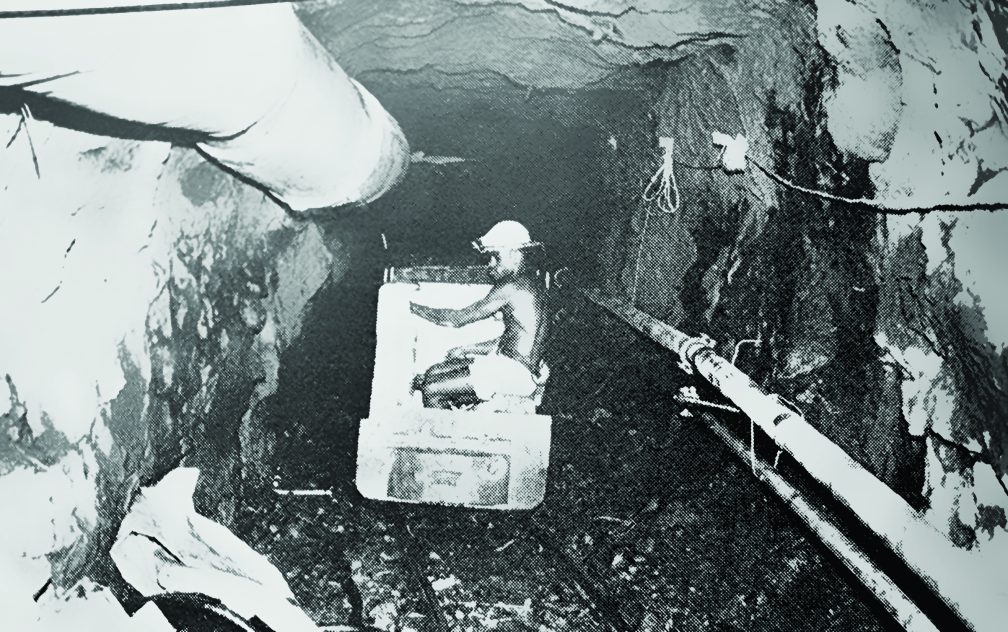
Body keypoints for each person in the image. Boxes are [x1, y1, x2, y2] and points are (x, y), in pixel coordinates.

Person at [410, 220, 548, 409]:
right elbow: (515, 339)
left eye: (495, 256)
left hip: (513, 373)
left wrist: (412, 307)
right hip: (515, 368)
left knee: (432, 388)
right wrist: (468, 348)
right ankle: (455, 424)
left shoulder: (512, 286)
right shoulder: (532, 284)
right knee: (431, 373)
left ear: (514, 254)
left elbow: (456, 319)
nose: (490, 265)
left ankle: (447, 437)